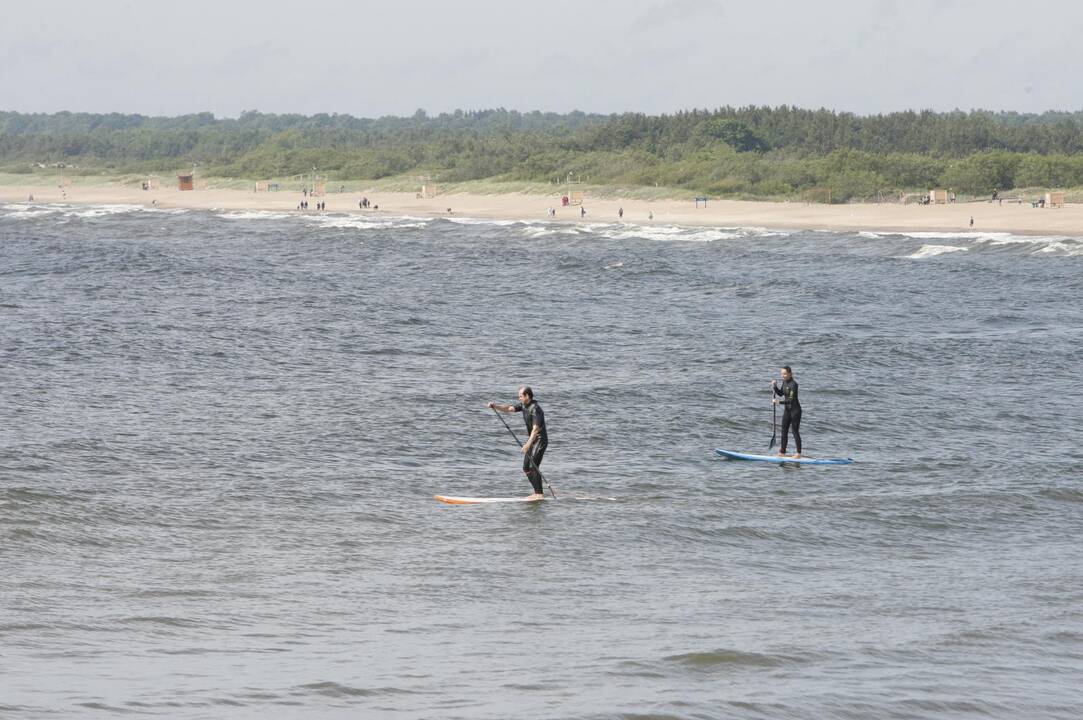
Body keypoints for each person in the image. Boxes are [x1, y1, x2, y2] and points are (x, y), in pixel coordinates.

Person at [487, 387, 548, 499]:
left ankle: (539, 494)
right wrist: (495, 406)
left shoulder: (535, 409)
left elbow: (536, 430)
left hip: (540, 441)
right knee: (526, 468)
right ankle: (537, 492)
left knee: (533, 467)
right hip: (532, 440)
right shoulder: (524, 405)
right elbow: (510, 408)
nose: (519, 398)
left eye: (520, 396)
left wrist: (527, 444)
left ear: (527, 396)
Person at [771, 366, 801, 458]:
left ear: (790, 374)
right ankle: (782, 452)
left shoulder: (794, 385)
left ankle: (798, 453)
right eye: (782, 374)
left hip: (795, 411)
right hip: (787, 411)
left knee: (794, 431)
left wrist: (779, 402)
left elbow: (791, 400)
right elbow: (780, 393)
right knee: (784, 431)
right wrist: (775, 386)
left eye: (784, 374)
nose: (782, 376)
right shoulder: (784, 382)